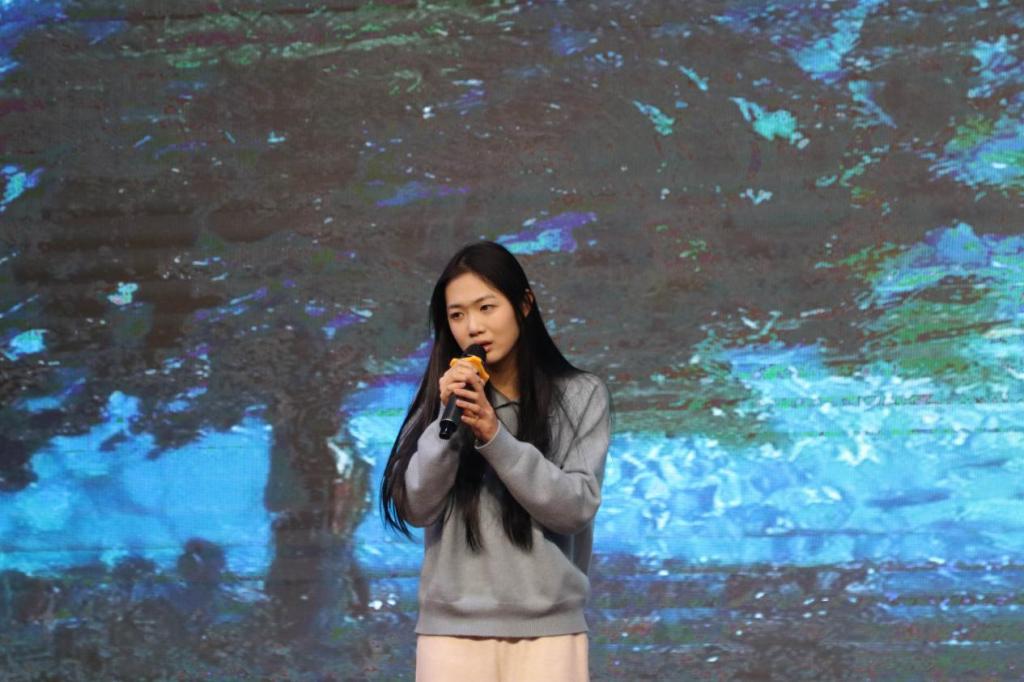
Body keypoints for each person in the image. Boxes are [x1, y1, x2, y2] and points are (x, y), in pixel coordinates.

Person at [380, 241, 612, 682]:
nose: (474, 327)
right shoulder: (442, 399)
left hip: (549, 634)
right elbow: (416, 507)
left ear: (524, 304)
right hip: (451, 635)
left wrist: (494, 435)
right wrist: (447, 422)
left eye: (487, 307)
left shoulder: (580, 395)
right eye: (457, 315)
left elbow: (575, 508)